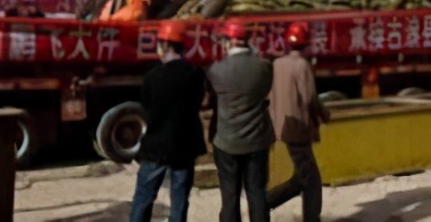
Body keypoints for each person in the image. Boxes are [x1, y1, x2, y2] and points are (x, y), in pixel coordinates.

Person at [129, 21, 207, 222]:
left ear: (163, 45)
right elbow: (197, 103)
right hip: (184, 146)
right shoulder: (195, 74)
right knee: (179, 200)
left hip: (156, 146)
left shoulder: (152, 77)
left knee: (144, 197)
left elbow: (147, 108)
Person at [206, 20, 274, 222]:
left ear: (228, 41)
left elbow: (211, 98)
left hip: (227, 140)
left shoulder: (216, 70)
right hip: (257, 140)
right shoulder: (264, 67)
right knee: (257, 193)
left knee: (229, 197)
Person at [267, 22, 331, 222]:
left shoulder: (277, 64)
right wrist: (323, 114)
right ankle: (267, 201)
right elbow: (309, 97)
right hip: (298, 126)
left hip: (282, 125)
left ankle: (268, 202)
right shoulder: (302, 65)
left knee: (303, 174)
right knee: (310, 179)